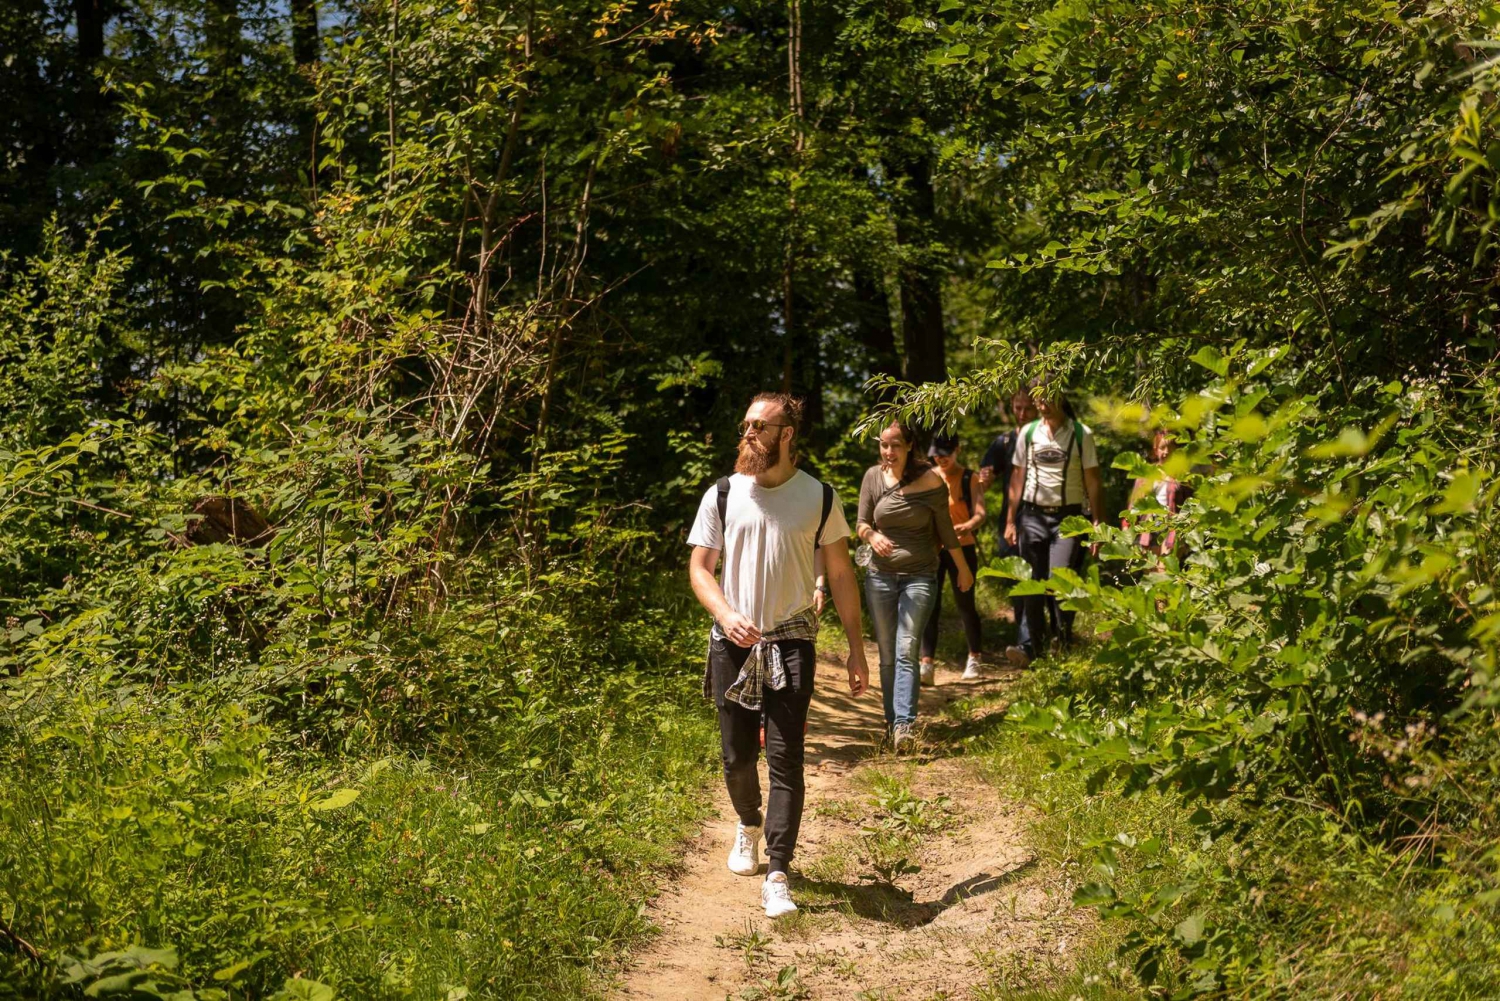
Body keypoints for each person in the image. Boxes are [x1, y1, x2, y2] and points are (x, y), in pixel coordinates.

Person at [687, 392, 870, 919]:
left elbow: (839, 574)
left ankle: (778, 871)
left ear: (786, 435)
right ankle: (748, 822)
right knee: (737, 757)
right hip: (732, 643)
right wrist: (724, 614)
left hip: (792, 642)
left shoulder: (819, 497)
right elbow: (701, 569)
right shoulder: (722, 493)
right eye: (745, 424)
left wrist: (857, 650)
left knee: (786, 759)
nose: (748, 434)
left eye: (759, 427)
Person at [855, 420, 972, 751]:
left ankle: (905, 725)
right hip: (879, 576)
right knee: (888, 651)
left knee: (907, 647)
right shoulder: (872, 478)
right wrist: (873, 535)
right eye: (884, 445)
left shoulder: (931, 481)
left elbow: (946, 529)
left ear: (909, 447)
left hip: (920, 575)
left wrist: (962, 567)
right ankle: (891, 724)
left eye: (895, 445)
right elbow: (862, 523)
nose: (888, 451)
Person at [1002, 380, 1105, 668]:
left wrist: (1097, 522)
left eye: (1046, 396)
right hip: (1032, 516)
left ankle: (1063, 639)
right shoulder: (1029, 433)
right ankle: (1035, 650)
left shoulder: (1081, 434)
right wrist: (1011, 520)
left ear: (1060, 394)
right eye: (1037, 397)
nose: (1040, 402)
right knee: (1032, 585)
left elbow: (1093, 481)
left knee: (1061, 580)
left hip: (1068, 519)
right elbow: (1017, 478)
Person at [919, 433, 986, 682]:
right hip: (934, 549)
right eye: (937, 453)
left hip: (963, 546)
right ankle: (927, 663)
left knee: (965, 604)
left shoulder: (970, 477)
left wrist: (969, 524)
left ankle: (975, 658)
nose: (941, 458)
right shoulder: (928, 476)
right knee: (929, 605)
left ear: (957, 450)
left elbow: (980, 511)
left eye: (946, 452)